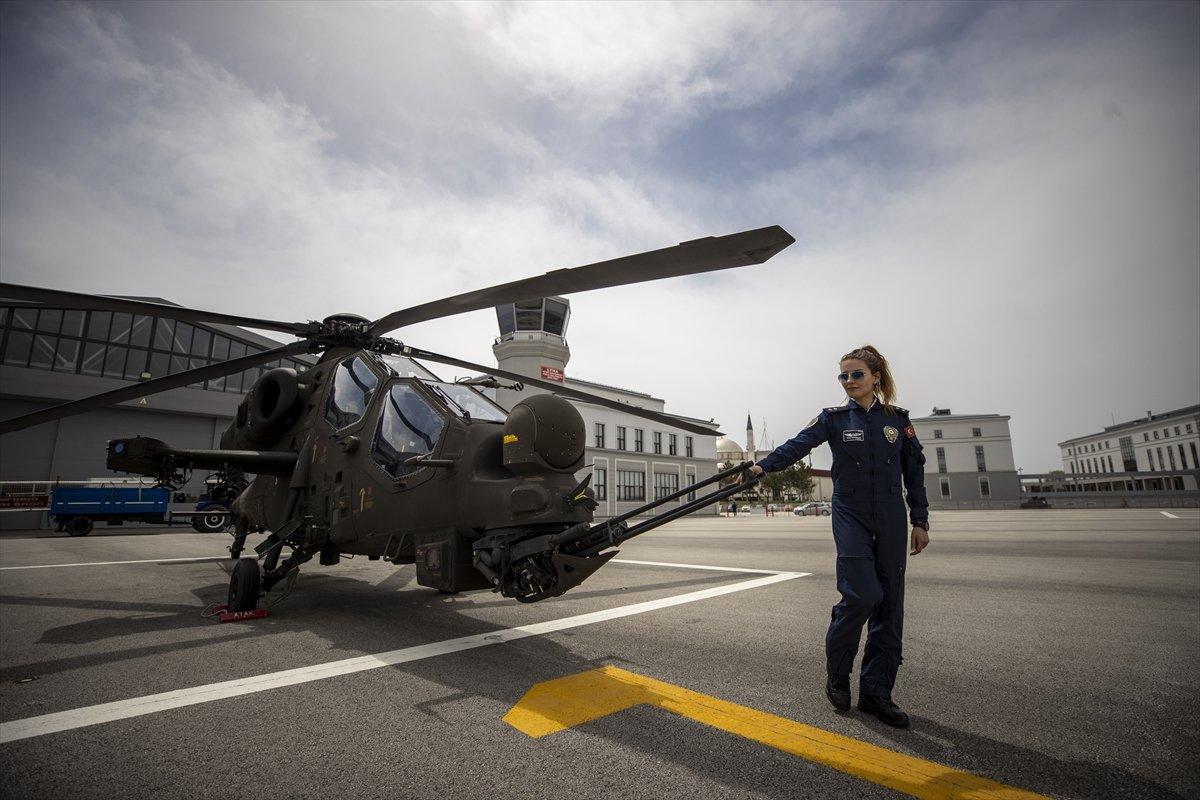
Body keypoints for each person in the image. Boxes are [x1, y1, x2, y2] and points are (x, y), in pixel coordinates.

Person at [741, 345, 929, 728]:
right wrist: (763, 466)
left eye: (856, 374)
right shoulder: (833, 418)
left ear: (875, 376)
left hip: (892, 514)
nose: (848, 382)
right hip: (850, 511)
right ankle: (838, 672)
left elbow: (915, 472)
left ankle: (877, 693)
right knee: (862, 595)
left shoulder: (899, 420)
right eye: (843, 376)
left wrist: (920, 520)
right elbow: (798, 445)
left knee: (890, 606)